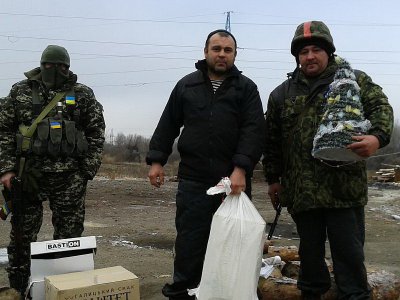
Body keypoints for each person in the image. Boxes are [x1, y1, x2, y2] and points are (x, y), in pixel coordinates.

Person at [263, 20, 394, 299]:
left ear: (329, 52)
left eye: (316, 50)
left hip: (343, 191)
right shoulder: (281, 94)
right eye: (303, 51)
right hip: (303, 193)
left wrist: (376, 138)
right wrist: (274, 180)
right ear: (297, 56)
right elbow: (272, 141)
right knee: (310, 263)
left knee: (349, 261)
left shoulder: (353, 81)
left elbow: (382, 108)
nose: (309, 56)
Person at [146, 29, 265, 300]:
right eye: (217, 49)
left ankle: (226, 294)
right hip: (194, 181)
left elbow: (254, 131)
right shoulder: (187, 85)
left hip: (232, 184)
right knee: (190, 244)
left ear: (234, 55)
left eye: (228, 50)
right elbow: (168, 125)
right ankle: (183, 293)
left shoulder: (246, 88)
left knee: (231, 246)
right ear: (205, 52)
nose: (222, 54)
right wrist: (156, 161)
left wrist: (240, 169)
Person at [0, 45, 105, 296]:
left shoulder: (82, 94)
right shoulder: (20, 91)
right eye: (49, 65)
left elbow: (96, 133)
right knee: (22, 236)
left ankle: (66, 289)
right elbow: (3, 131)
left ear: (68, 67)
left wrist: (85, 172)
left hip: (69, 177)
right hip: (28, 175)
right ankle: (18, 289)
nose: (55, 70)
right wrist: (6, 170)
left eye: (61, 66)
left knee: (69, 237)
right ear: (41, 64)